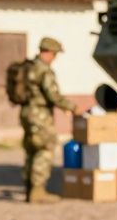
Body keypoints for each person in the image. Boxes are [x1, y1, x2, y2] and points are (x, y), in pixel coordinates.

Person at [19, 37, 81, 203]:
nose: (54, 58)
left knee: (32, 149)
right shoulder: (44, 70)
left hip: (26, 113)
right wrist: (72, 107)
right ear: (48, 53)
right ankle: (38, 191)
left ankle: (29, 188)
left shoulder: (28, 67)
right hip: (40, 115)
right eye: (54, 54)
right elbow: (53, 95)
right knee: (45, 148)